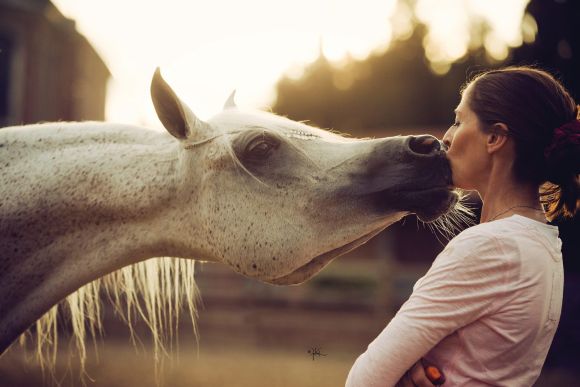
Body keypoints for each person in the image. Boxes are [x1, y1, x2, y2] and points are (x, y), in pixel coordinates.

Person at [345, 66, 580, 386]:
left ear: (495, 137)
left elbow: (365, 379)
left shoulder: (490, 246)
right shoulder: (545, 245)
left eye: (458, 120)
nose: (447, 136)